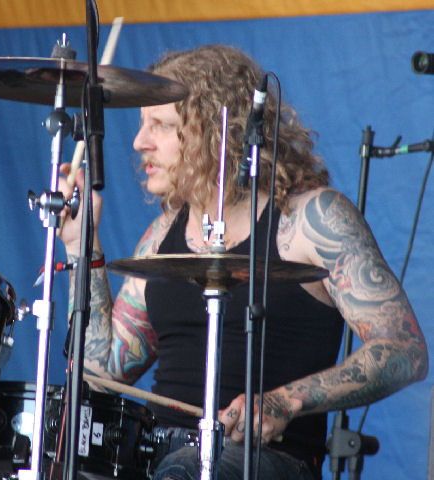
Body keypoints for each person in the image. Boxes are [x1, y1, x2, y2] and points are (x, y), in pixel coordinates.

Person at [57, 44, 428, 480]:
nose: (140, 142)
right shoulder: (160, 236)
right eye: (143, 124)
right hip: (158, 455)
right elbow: (100, 372)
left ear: (216, 131)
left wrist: (284, 401)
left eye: (161, 125)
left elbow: (404, 350)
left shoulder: (312, 220)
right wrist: (81, 244)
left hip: (267, 460)